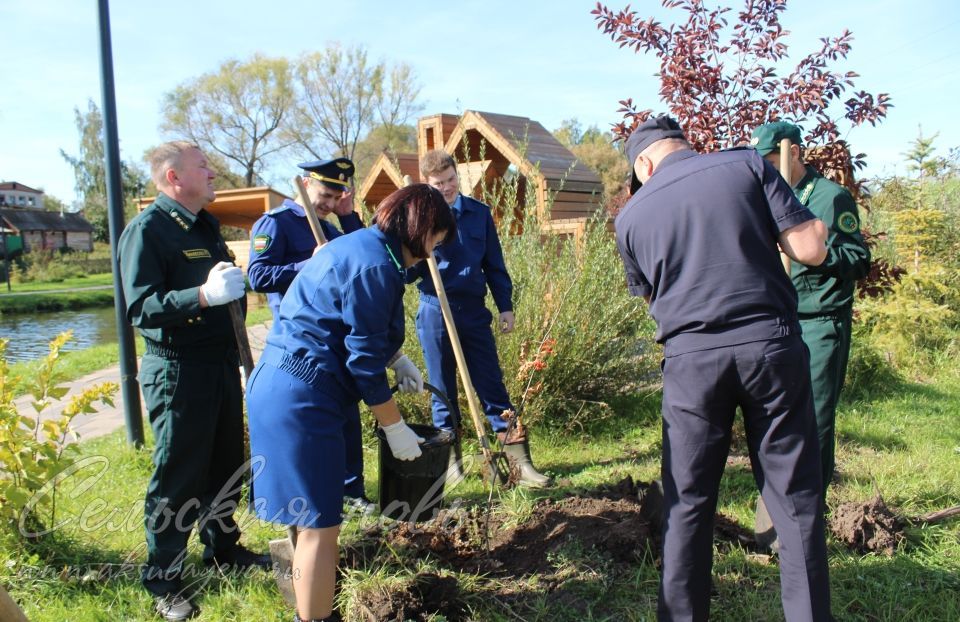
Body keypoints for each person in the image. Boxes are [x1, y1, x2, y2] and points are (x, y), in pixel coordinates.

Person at [614, 116, 833, 621]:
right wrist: (813, 221)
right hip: (769, 347)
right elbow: (810, 249)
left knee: (687, 502)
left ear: (643, 163)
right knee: (794, 497)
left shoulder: (630, 218)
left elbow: (650, 296)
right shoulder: (746, 164)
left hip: (691, 363)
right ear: (684, 146)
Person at [246, 184, 455, 622]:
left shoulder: (360, 247)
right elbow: (362, 364)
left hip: (286, 385)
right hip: (302, 398)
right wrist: (394, 426)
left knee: (310, 519)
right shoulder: (376, 265)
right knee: (322, 526)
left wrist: (395, 357)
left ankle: (312, 608)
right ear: (421, 227)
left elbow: (344, 319)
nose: (434, 250)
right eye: (436, 237)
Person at [119, 141, 270, 622]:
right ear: (172, 178)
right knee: (178, 473)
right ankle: (163, 578)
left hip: (219, 364)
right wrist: (200, 296)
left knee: (226, 461)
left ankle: (223, 548)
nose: (212, 173)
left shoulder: (205, 224)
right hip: (177, 368)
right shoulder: (148, 231)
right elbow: (141, 308)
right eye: (202, 167)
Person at [247, 158, 423, 515]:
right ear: (307, 184)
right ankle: (304, 500)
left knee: (346, 420)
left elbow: (370, 254)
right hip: (300, 342)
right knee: (309, 432)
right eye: (325, 194)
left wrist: (345, 215)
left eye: (335, 197)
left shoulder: (330, 228)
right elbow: (258, 275)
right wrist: (307, 263)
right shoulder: (276, 223)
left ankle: (350, 491)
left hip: (339, 345)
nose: (328, 203)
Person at [409, 149, 551, 487]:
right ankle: (450, 465)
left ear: (458, 176)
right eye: (437, 183)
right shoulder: (419, 219)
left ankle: (519, 466)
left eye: (450, 180)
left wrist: (505, 306)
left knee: (492, 385)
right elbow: (404, 271)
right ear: (426, 184)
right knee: (442, 390)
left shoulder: (478, 214)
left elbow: (494, 265)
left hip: (473, 310)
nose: (445, 187)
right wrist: (415, 248)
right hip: (434, 310)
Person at [751, 122, 871, 499]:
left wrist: (817, 255)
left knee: (815, 419)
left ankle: (810, 509)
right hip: (777, 322)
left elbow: (858, 259)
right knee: (777, 416)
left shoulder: (829, 198)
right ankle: (779, 502)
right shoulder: (765, 199)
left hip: (819, 323)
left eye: (770, 160)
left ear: (794, 153)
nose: (765, 170)